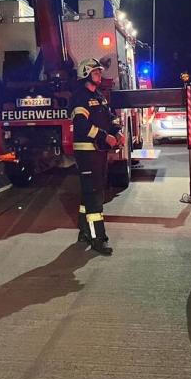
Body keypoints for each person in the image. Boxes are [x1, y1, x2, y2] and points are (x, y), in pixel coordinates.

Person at [70, 58, 124, 255]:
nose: (99, 75)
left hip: (98, 152)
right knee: (94, 196)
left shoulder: (100, 96)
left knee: (90, 192)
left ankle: (84, 231)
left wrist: (117, 131)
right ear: (86, 74)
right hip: (86, 152)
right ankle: (97, 238)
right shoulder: (79, 98)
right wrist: (104, 136)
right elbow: (82, 125)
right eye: (96, 72)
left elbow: (110, 117)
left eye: (99, 72)